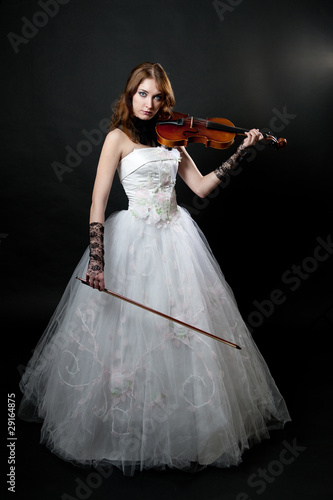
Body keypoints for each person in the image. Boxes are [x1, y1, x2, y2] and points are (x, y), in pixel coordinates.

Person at [19, 62, 290, 476]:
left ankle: (184, 428)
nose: (148, 103)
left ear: (166, 100)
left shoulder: (175, 138)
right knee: (127, 337)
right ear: (129, 96)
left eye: (156, 96)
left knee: (182, 338)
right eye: (141, 94)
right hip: (133, 239)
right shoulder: (117, 138)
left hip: (176, 236)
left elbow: (198, 188)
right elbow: (97, 202)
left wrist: (239, 152)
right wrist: (97, 259)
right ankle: (123, 427)